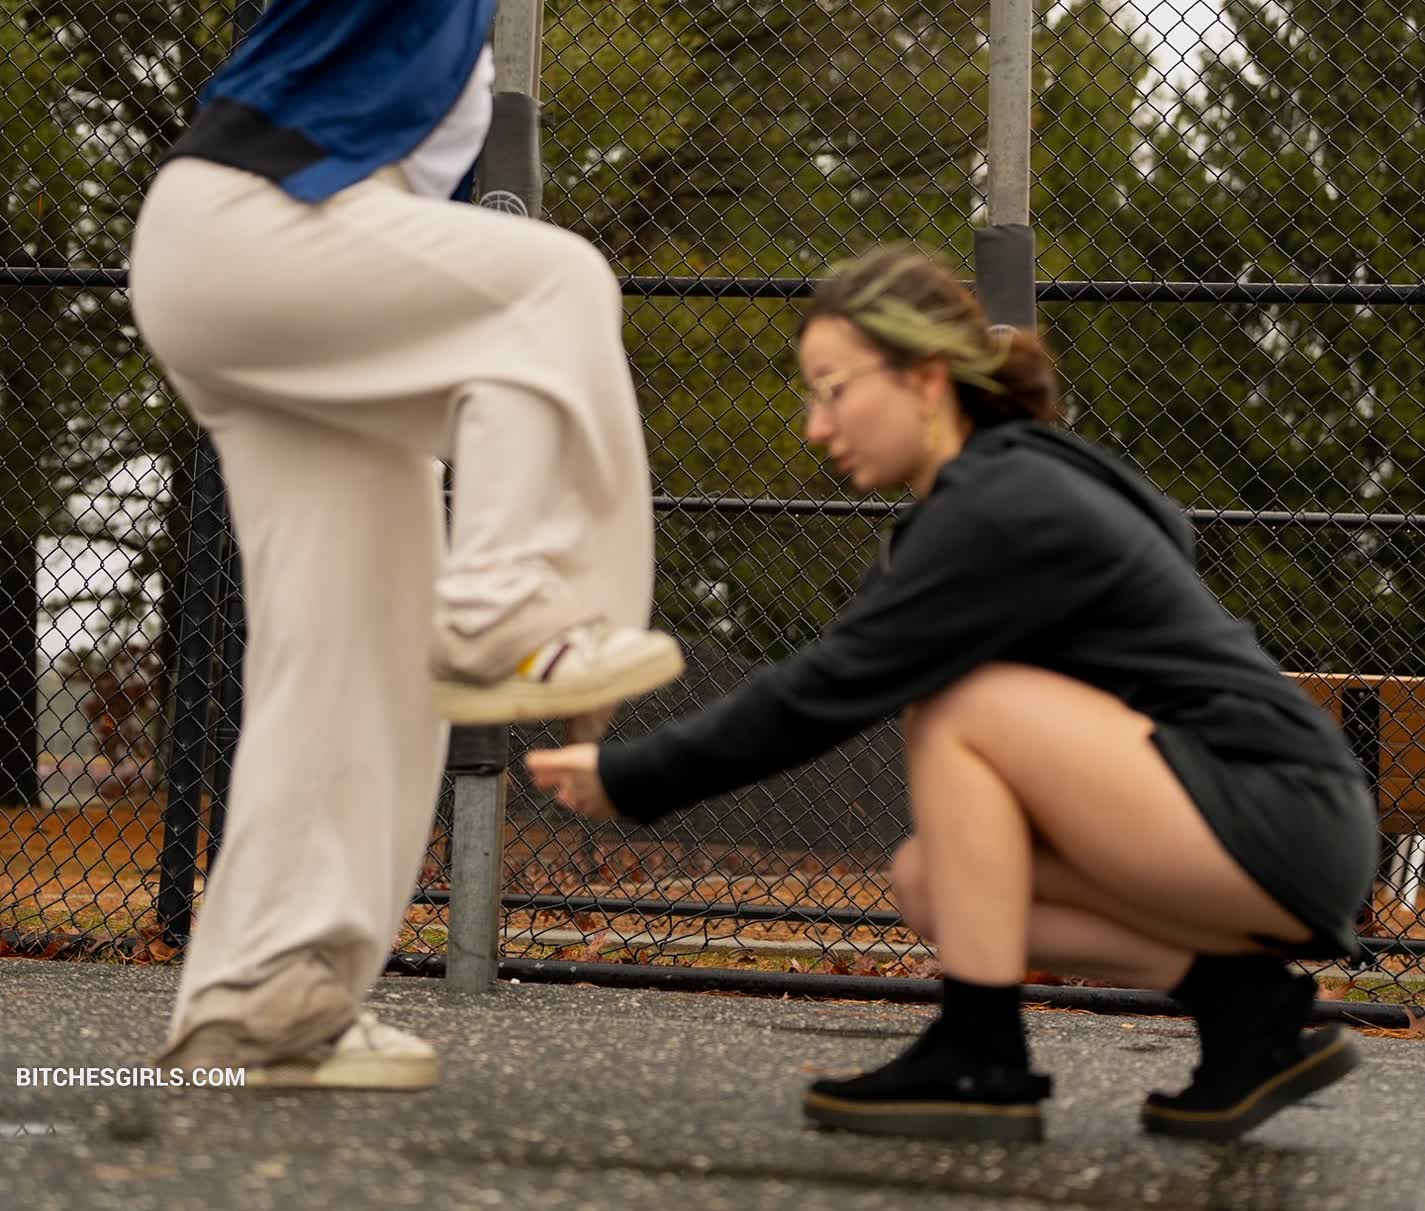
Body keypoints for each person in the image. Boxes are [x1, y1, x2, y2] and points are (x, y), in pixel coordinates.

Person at [527, 244, 1379, 1144]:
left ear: (925, 378)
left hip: (1275, 805)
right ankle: (1246, 1014)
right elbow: (839, 666)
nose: (816, 426)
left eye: (833, 390)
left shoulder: (1004, 501)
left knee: (962, 706)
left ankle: (980, 1054)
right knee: (931, 884)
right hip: (1229, 817)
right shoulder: (993, 494)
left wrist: (634, 776)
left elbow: (826, 688)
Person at [128, 0, 682, 1088]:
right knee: (551, 287)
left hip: (291, 291)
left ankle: (266, 1006)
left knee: (354, 651)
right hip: (244, 230)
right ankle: (504, 615)